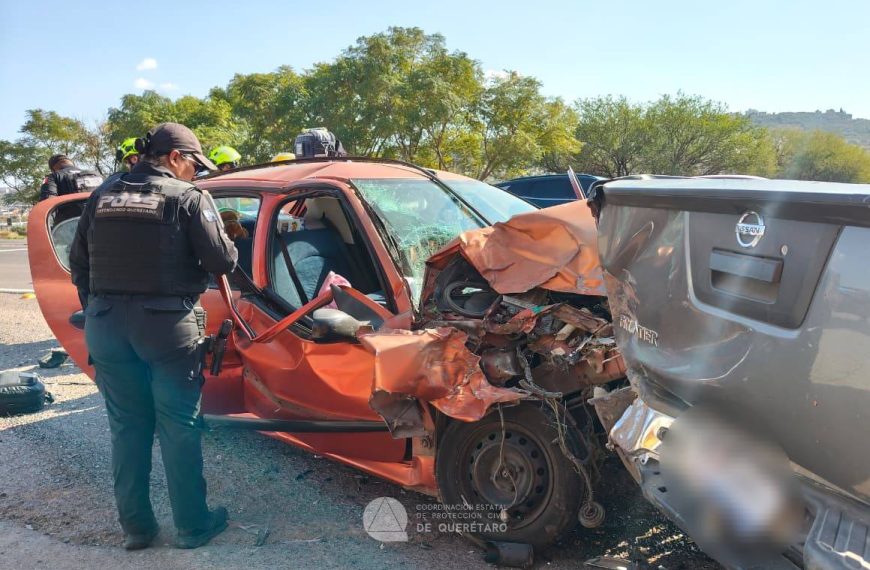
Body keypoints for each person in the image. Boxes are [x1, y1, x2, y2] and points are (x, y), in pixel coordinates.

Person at [68, 122, 238, 551]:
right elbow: (221, 260)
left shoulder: (101, 194)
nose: (195, 174)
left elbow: (79, 264)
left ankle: (138, 530)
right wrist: (230, 234)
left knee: (127, 429)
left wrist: (96, 311)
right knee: (179, 426)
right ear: (175, 157)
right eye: (193, 166)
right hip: (166, 329)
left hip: (105, 326)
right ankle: (193, 526)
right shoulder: (188, 199)